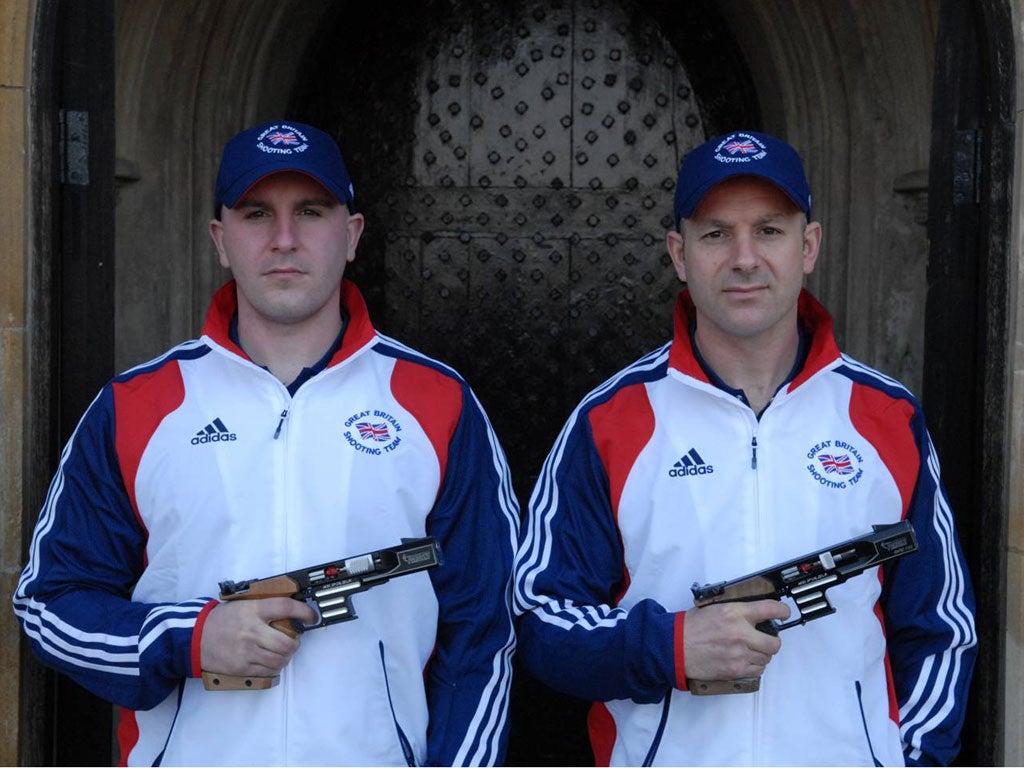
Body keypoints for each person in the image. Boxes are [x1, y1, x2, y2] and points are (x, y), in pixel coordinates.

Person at [14, 120, 519, 766]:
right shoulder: (135, 408)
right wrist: (191, 638)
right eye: (257, 214)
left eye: (310, 211)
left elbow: (485, 634)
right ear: (221, 240)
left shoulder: (439, 405)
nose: (284, 239)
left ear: (352, 234)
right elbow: (49, 606)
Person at [512, 130, 977, 766]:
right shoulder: (610, 420)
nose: (744, 257)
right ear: (679, 254)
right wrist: (670, 647)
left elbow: (941, 628)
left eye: (769, 230)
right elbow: (540, 622)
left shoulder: (887, 416)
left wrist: (910, 760)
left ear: (808, 245)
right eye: (714, 234)